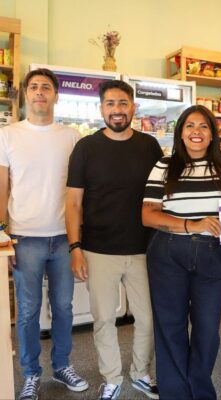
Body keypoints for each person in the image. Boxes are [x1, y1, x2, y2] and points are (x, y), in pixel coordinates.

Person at [65, 80, 162, 400]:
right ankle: (111, 378)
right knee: (104, 319)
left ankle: (140, 372)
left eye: (123, 103)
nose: (117, 110)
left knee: (148, 319)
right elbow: (73, 203)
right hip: (98, 249)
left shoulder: (149, 146)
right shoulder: (86, 148)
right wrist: (75, 248)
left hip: (144, 248)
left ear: (133, 107)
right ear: (101, 109)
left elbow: (161, 196)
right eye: (110, 104)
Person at [0, 68, 88, 400]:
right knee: (27, 311)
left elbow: (79, 191)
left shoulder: (71, 136)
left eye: (46, 87)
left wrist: (80, 238)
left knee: (64, 307)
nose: (40, 91)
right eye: (34, 86)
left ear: (55, 95)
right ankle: (31, 374)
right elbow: (2, 187)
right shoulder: (8, 135)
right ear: (26, 94)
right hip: (24, 238)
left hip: (64, 237)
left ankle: (62, 365)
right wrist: (2, 236)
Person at [142, 105, 221, 400]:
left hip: (212, 254)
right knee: (170, 326)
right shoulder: (165, 165)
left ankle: (200, 391)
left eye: (204, 126)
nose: (197, 131)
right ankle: (175, 394)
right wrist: (190, 224)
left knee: (207, 329)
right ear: (180, 133)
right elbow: (148, 215)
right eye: (190, 125)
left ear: (212, 134)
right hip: (168, 252)